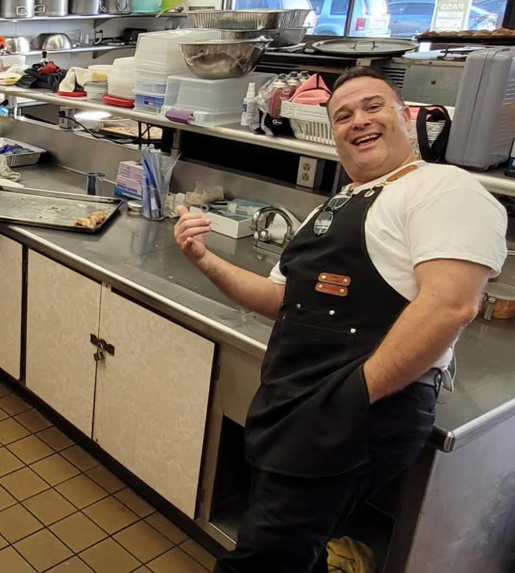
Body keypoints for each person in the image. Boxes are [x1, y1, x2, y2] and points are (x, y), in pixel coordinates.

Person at [174, 67, 509, 572]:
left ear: (406, 116)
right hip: (298, 398)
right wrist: (203, 258)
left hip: (356, 407)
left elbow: (450, 305)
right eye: (343, 116)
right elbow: (277, 298)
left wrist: (353, 396)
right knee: (286, 546)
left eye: (373, 107)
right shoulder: (335, 206)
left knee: (264, 558)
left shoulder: (444, 189)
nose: (359, 121)